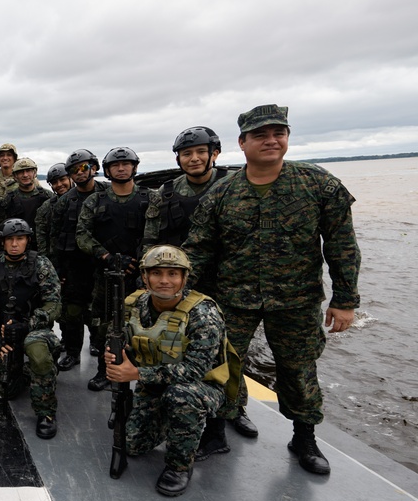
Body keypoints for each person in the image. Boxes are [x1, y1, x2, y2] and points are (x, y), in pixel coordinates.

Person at [184, 105, 360, 475]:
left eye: (278, 133)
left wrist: (344, 300)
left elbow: (342, 245)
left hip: (296, 299)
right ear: (241, 143)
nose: (271, 140)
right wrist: (178, 295)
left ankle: (304, 438)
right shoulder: (222, 194)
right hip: (234, 297)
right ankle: (217, 431)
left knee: (297, 369)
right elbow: (200, 249)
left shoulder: (318, 184)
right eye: (261, 135)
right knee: (222, 366)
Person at [143, 127, 257, 439]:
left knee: (231, 349)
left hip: (228, 282)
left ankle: (234, 407)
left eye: (200, 152)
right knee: (179, 346)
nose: (194, 159)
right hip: (180, 283)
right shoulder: (165, 193)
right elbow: (151, 241)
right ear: (178, 158)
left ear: (214, 154)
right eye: (187, 154)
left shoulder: (235, 185)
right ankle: (184, 405)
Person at [104, 245, 230, 497]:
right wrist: (115, 351)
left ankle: (179, 466)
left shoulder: (203, 314)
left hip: (201, 386)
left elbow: (195, 370)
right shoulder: (134, 304)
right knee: (133, 445)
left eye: (173, 274)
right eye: (157, 273)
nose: (164, 281)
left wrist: (137, 374)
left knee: (180, 397)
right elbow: (117, 334)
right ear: (145, 276)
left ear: (184, 278)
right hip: (154, 383)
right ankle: (167, 419)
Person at [0, 219, 62, 439]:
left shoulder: (41, 265)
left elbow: (54, 305)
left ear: (27, 240)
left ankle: (46, 412)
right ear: (2, 242)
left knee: (37, 351)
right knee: (7, 392)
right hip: (2, 327)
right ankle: (22, 371)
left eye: (20, 239)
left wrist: (28, 325)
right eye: (10, 239)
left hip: (33, 328)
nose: (14, 244)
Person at [76, 147, 149, 391]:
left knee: (143, 325)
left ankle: (142, 374)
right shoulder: (95, 201)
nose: (121, 168)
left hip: (141, 276)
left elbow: (156, 234)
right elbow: (82, 235)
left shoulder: (149, 198)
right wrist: (106, 256)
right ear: (107, 170)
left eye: (126, 164)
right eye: (116, 165)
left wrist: (139, 264)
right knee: (101, 325)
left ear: (134, 167)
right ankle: (104, 370)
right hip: (106, 273)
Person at [51, 149, 107, 371]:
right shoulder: (64, 202)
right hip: (74, 264)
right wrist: (58, 270)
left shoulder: (107, 193)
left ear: (94, 168)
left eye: (84, 167)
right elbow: (55, 236)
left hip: (102, 263)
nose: (79, 172)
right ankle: (73, 352)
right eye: (74, 169)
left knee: (101, 312)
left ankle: (99, 350)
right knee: (71, 312)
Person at [0, 157, 53, 252]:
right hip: (17, 247)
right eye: (20, 172)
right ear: (15, 176)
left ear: (34, 173)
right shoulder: (8, 199)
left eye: (28, 171)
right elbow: (0, 224)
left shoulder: (47, 196)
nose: (25, 175)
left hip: (43, 246)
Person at [35, 163, 71, 264]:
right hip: (58, 258)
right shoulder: (46, 207)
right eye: (54, 182)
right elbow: (41, 238)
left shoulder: (86, 200)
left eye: (62, 179)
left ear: (70, 178)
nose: (59, 184)